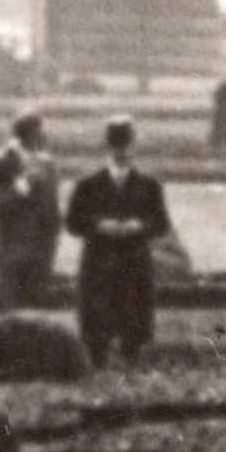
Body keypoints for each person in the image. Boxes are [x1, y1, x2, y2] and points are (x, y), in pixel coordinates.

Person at [65, 116, 172, 367]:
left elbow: (162, 223)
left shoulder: (149, 185)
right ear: (107, 147)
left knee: (133, 331)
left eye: (126, 144)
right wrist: (99, 225)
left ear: (134, 146)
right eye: (116, 145)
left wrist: (139, 226)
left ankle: (130, 379)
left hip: (133, 264)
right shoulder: (88, 185)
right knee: (96, 332)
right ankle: (98, 372)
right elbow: (72, 223)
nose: (122, 151)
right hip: (99, 265)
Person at [0, 110, 61, 310]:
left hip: (40, 254)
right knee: (8, 316)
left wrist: (50, 248)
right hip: (9, 253)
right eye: (40, 132)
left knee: (36, 318)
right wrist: (20, 188)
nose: (45, 137)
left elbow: (53, 212)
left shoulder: (48, 165)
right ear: (29, 135)